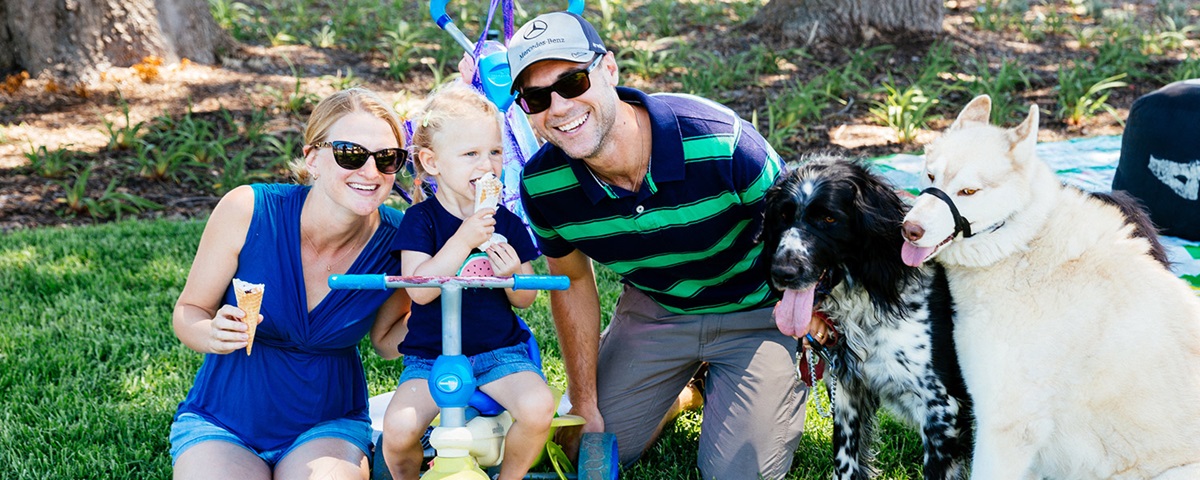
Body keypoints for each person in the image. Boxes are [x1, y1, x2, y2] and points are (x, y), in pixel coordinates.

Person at [507, 11, 807, 479]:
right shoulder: (543, 184)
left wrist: (814, 315)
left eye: (572, 82)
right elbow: (572, 282)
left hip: (758, 313)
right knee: (579, 448)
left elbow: (804, 232)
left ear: (609, 70)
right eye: (537, 96)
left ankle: (744, 382)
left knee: (736, 474)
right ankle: (686, 390)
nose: (559, 107)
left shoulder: (724, 143)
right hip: (657, 309)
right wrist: (585, 403)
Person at [170, 87, 412, 480]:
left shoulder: (399, 241)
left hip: (328, 425)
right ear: (313, 157)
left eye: (387, 159)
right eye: (351, 154)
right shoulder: (247, 209)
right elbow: (188, 312)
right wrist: (209, 333)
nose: (371, 172)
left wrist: (449, 303)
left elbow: (387, 342)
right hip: (222, 420)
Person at [380, 85, 554, 480]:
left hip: (498, 352)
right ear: (432, 161)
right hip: (429, 357)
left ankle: (510, 476)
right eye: (471, 154)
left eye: (494, 152)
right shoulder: (420, 220)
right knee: (398, 429)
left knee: (538, 407)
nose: (487, 164)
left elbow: (526, 299)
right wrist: (463, 240)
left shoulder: (505, 221)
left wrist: (512, 275)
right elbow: (420, 290)